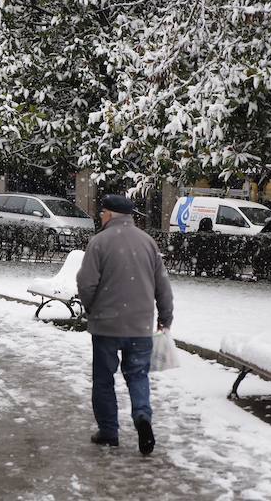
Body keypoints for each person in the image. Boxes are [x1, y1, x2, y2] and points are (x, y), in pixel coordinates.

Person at [76, 194, 174, 456]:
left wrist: (92, 308)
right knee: (138, 376)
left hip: (106, 326)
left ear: (109, 214)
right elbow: (162, 285)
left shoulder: (99, 242)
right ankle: (142, 417)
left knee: (104, 379)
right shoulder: (148, 243)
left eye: (102, 214)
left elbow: (86, 283)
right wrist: (165, 317)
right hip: (140, 326)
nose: (101, 218)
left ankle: (109, 432)